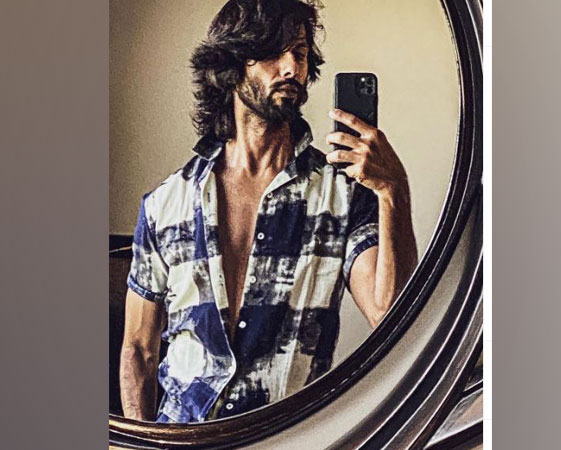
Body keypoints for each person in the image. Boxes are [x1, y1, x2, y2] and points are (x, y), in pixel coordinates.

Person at [119, 0, 417, 424]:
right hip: (183, 435)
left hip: (288, 437)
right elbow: (139, 350)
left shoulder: (343, 195)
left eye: (300, 53)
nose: (292, 68)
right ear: (232, 62)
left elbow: (389, 315)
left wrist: (393, 190)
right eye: (273, 52)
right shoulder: (166, 205)